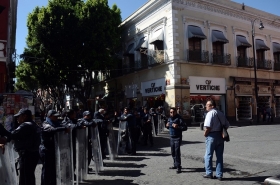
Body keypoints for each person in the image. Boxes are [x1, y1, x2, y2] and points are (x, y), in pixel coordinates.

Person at [0, 108, 41, 185]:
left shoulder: (25, 126)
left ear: (24, 116)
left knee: (24, 179)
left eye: (19, 116)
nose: (17, 118)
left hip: (27, 156)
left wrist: (1, 129)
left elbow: (12, 135)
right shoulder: (34, 125)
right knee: (29, 177)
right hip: (33, 154)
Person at [40, 110, 69, 185]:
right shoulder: (45, 123)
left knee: (54, 168)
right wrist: (64, 129)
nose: (56, 117)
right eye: (54, 116)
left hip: (54, 149)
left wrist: (65, 127)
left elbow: (63, 126)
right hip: (46, 149)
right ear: (49, 116)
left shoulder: (56, 123)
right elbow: (51, 130)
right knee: (46, 169)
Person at [203, 100, 230, 181]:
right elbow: (227, 125)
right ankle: (219, 175)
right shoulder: (220, 113)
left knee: (208, 155)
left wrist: (205, 133)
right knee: (219, 156)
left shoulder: (210, 113)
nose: (206, 106)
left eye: (207, 105)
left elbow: (208, 127)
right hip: (220, 136)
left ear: (212, 106)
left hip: (211, 136)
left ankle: (209, 173)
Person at [166, 107, 185, 174]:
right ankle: (175, 164)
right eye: (171, 112)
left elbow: (185, 127)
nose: (172, 113)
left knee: (177, 151)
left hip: (177, 137)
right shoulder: (169, 118)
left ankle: (178, 166)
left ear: (176, 112)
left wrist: (178, 127)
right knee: (173, 151)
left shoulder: (179, 118)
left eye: (173, 112)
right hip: (171, 137)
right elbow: (168, 126)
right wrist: (167, 126)